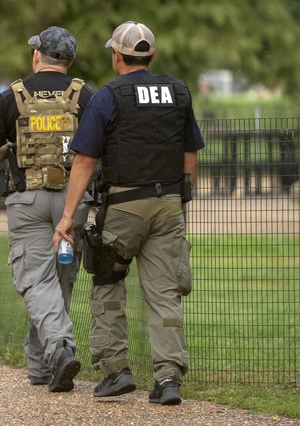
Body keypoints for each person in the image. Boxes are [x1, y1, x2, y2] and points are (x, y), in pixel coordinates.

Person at [52, 21, 205, 405]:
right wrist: (180, 201)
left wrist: (68, 215)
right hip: (168, 205)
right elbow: (190, 155)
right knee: (164, 294)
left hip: (122, 207)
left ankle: (116, 372)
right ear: (150, 55)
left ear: (117, 56)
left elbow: (86, 159)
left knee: (107, 285)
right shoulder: (179, 92)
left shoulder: (109, 96)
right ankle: (168, 379)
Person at [0, 26, 94, 392]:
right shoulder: (85, 95)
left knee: (37, 281)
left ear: (37, 56)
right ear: (69, 61)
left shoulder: (13, 97)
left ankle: (58, 349)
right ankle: (43, 368)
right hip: (75, 202)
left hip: (28, 203)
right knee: (60, 279)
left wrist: (7, 151)